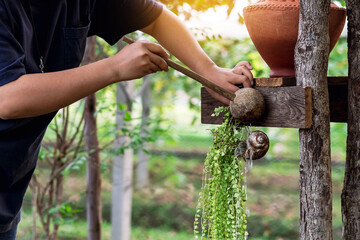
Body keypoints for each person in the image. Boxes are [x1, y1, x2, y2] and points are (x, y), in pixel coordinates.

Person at [0, 0, 253, 237]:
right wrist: (114, 67)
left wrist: (209, 71)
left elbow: (155, 18)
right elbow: (8, 98)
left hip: (9, 192)